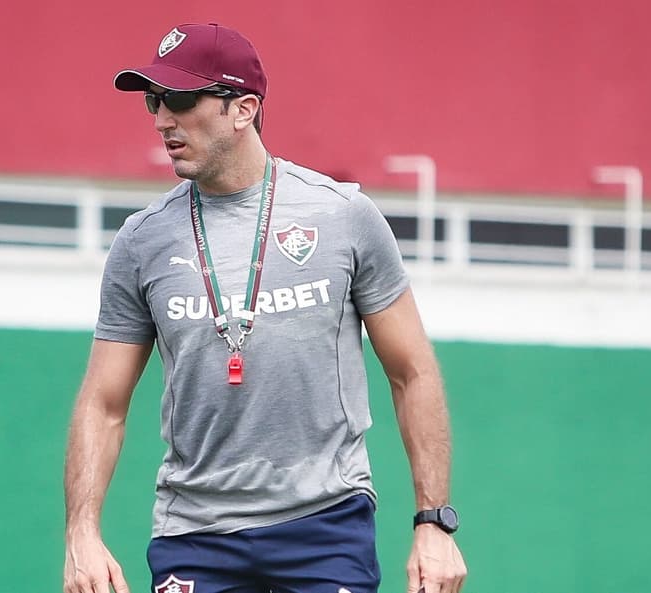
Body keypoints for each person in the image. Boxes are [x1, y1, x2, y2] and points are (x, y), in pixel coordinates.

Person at [63, 22, 467, 593]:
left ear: (243, 108)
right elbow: (103, 403)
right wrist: (81, 535)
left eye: (179, 99)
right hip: (193, 536)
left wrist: (434, 523)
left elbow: (413, 372)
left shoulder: (343, 216)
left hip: (326, 527)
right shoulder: (141, 241)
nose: (161, 119)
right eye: (154, 101)